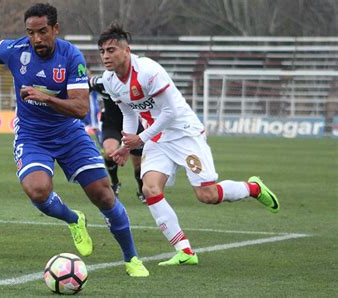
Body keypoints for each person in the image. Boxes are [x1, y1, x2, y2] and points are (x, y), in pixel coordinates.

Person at [0, 4, 148, 277]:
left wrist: (47, 98)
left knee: (103, 194)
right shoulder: (15, 50)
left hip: (69, 133)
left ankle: (132, 258)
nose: (37, 39)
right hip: (31, 135)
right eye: (31, 33)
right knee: (38, 190)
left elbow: (79, 109)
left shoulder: (70, 56)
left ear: (55, 28)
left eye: (43, 31)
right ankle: (74, 219)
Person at [97, 23, 280, 266]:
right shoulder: (110, 81)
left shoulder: (149, 71)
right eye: (102, 51)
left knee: (207, 195)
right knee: (150, 188)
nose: (106, 56)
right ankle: (184, 250)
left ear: (126, 50)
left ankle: (253, 188)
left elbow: (170, 112)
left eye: (111, 50)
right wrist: (126, 145)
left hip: (184, 134)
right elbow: (130, 114)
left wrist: (140, 138)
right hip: (158, 138)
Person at [89, 76, 145, 204]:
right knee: (109, 153)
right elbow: (82, 86)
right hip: (111, 123)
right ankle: (115, 183)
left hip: (133, 124)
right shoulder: (100, 82)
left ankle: (142, 190)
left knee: (138, 163)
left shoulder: (135, 82)